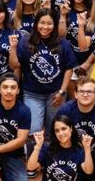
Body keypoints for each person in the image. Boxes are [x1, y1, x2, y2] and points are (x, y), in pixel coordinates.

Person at [11, 9, 77, 140]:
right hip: (32, 93)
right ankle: (34, 157)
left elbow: (69, 69)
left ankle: (50, 158)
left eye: (49, 23)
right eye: (42, 23)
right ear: (36, 24)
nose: (45, 27)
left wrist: (62, 92)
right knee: (33, 131)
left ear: (55, 25)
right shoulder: (25, 42)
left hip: (55, 94)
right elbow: (15, 66)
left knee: (54, 130)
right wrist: (13, 48)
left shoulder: (62, 43)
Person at [24, 116, 95, 181]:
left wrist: (87, 149)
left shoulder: (79, 150)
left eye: (64, 128)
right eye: (57, 131)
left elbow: (89, 171)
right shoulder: (48, 148)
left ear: (71, 128)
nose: (61, 133)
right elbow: (31, 167)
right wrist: (38, 146)